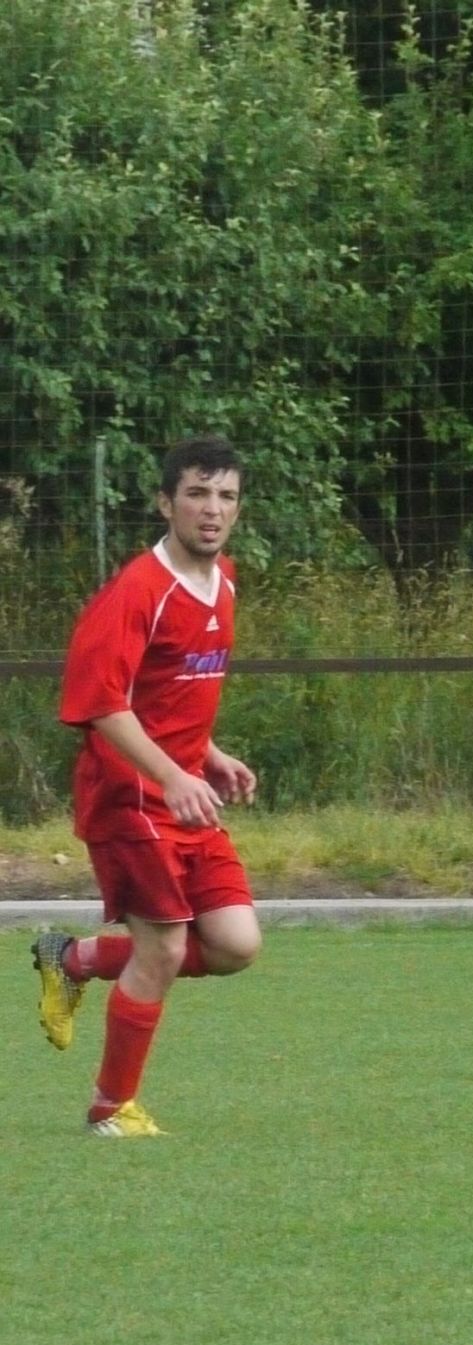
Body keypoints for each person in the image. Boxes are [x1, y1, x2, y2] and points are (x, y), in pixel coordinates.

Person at [30, 436, 264, 1136]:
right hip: (128, 796)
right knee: (161, 949)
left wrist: (208, 753)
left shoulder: (224, 583)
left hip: (183, 792)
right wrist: (171, 772)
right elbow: (101, 704)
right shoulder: (137, 592)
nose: (212, 509)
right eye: (197, 493)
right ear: (166, 503)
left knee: (234, 944)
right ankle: (111, 1109)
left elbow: (162, 694)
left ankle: (73, 958)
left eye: (225, 496)